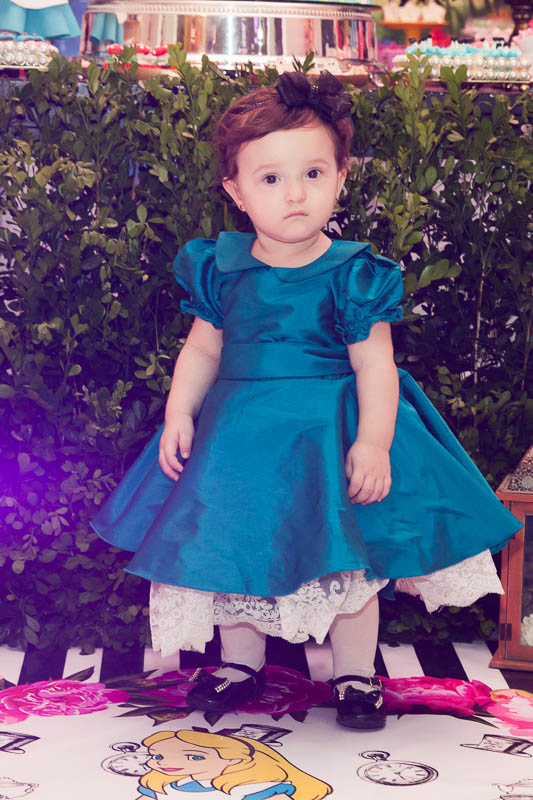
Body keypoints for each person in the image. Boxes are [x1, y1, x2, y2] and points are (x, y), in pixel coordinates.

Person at [92, 71, 520, 731]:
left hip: (327, 437)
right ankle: (240, 665)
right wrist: (179, 411)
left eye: (313, 173)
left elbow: (376, 365)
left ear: (341, 177)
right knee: (232, 548)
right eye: (270, 178)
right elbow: (202, 350)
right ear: (235, 191)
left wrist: (373, 442)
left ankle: (354, 674)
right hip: (238, 443)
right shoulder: (220, 267)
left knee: (347, 562)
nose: (294, 193)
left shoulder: (354, 274)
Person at [136, 729, 332, 799]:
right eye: (158, 757)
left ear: (234, 759)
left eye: (195, 757)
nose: (164, 762)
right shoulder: (165, 787)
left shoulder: (253, 789)